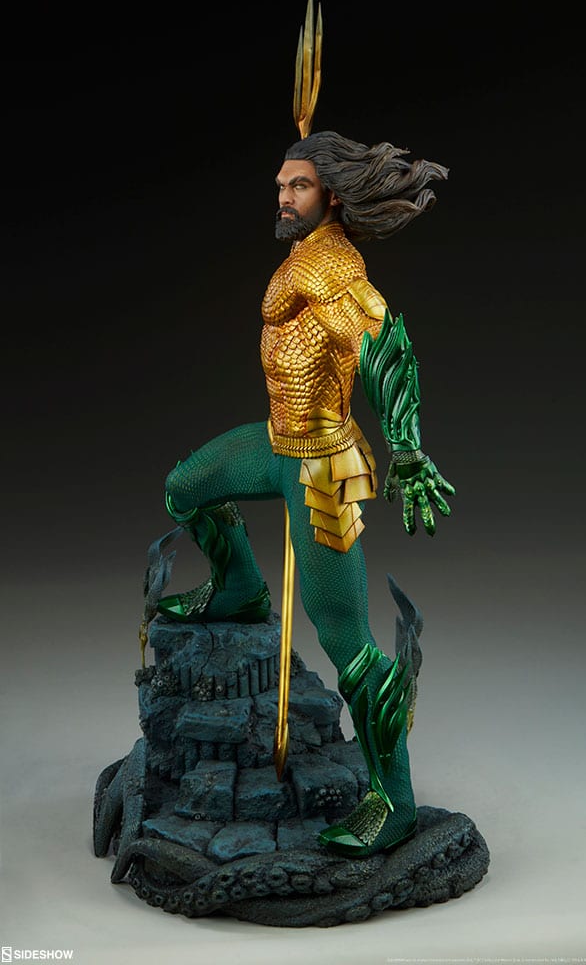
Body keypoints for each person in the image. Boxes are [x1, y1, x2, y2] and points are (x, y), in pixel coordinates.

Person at [158, 129, 455, 856]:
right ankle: (239, 589)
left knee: (345, 641)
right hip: (275, 441)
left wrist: (407, 449)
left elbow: (383, 347)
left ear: (332, 195)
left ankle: (393, 801)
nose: (283, 196)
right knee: (185, 488)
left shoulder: (331, 269)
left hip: (321, 467)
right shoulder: (302, 254)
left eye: (298, 185)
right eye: (281, 184)